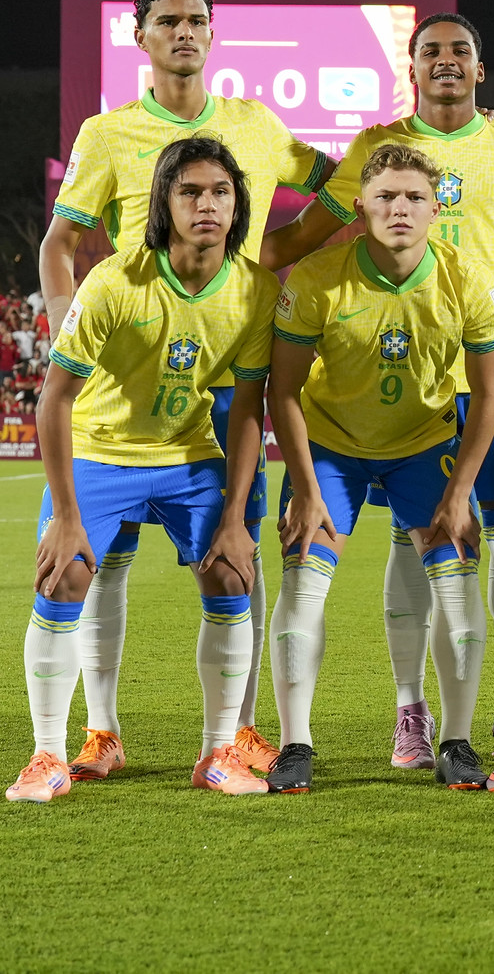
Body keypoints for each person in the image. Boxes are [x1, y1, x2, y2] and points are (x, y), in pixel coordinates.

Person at [260, 12, 494, 770]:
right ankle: (413, 706)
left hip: (486, 371)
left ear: (480, 68)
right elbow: (307, 235)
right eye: (430, 50)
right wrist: (218, 271)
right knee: (414, 548)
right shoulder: (375, 147)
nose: (445, 60)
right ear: (411, 67)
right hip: (381, 374)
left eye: (459, 50)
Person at [41, 0, 334, 780]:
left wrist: (284, 251)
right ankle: (101, 730)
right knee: (104, 560)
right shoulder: (109, 134)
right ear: (141, 37)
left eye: (197, 20)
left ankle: (234, 733)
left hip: (223, 353)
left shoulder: (255, 124)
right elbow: (59, 244)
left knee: (236, 550)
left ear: (213, 34)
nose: (184, 32)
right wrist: (72, 321)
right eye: (167, 20)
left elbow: (337, 184)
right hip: (131, 363)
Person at [8, 136, 278, 802]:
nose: (207, 203)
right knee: (64, 573)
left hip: (188, 457)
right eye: (190, 191)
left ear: (238, 202)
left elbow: (247, 413)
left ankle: (219, 752)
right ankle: (46, 754)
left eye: (220, 190)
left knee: (230, 567)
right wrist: (67, 517)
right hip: (100, 451)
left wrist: (239, 518)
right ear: (164, 201)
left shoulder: (254, 291)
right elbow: (54, 400)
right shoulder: (116, 282)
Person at [265, 144, 494, 794]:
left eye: (413, 197)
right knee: (301, 588)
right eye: (385, 197)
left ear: (438, 203)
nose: (399, 207)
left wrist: (459, 493)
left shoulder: (466, 280)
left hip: (425, 446)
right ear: (362, 205)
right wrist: (307, 489)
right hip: (331, 448)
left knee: (457, 586)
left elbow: (487, 396)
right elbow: (281, 390)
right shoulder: (318, 278)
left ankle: (455, 739)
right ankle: (295, 745)